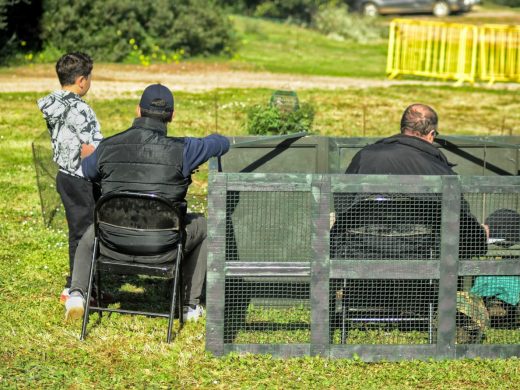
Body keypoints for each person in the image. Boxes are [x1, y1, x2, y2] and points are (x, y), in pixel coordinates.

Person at [65, 84, 230, 322]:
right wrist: (214, 139)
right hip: (163, 247)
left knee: (92, 231)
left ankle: (77, 294)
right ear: (172, 116)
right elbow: (220, 144)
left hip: (112, 242)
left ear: (138, 110)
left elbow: (88, 171)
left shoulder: (109, 146)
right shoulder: (185, 149)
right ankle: (189, 305)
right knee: (205, 225)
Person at [332, 103, 488, 259]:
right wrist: (480, 237)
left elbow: (343, 205)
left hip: (360, 258)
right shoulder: (439, 169)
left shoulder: (364, 156)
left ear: (402, 129)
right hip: (421, 265)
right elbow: (460, 221)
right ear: (431, 134)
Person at [37, 52, 102, 302]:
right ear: (82, 80)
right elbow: (92, 149)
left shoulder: (52, 104)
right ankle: (77, 288)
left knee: (77, 230)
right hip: (81, 177)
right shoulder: (81, 110)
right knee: (85, 234)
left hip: (64, 175)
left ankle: (83, 285)